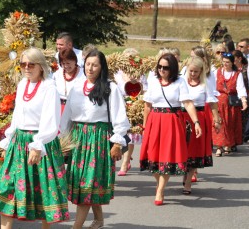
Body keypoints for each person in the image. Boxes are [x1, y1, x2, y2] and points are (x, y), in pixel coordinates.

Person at [0, 47, 69, 228]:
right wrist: (9, 139)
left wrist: (37, 146)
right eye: (23, 64)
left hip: (40, 143)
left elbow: (51, 120)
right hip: (19, 142)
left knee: (43, 192)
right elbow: (17, 115)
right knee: (7, 187)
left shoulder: (49, 88)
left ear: (40, 66)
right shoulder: (22, 85)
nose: (26, 68)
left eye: (31, 64)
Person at [60, 50, 130, 228]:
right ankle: (98, 219)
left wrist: (117, 142)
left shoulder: (110, 88)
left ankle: (76, 227)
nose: (90, 68)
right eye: (88, 64)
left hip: (98, 140)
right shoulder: (76, 87)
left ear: (102, 67)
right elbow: (67, 116)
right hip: (78, 138)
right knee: (85, 183)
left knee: (87, 184)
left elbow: (120, 117)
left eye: (95, 65)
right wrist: (63, 140)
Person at [140, 54, 202, 206]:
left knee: (166, 157)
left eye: (166, 67)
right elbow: (147, 105)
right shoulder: (153, 80)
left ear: (172, 68)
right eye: (159, 66)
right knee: (152, 157)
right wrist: (144, 126)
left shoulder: (180, 81)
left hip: (172, 121)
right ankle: (159, 182)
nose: (162, 70)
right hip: (154, 120)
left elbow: (187, 103)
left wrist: (196, 122)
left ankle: (160, 190)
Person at [181, 57, 221, 194]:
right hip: (183, 117)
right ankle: (185, 172)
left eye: (196, 72)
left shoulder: (204, 85)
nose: (193, 74)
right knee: (183, 149)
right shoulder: (181, 82)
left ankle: (187, 183)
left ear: (201, 72)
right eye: (191, 71)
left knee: (195, 151)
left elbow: (212, 102)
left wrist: (216, 119)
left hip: (199, 118)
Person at [114, 47, 143, 176]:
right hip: (118, 105)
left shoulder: (139, 74)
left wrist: (136, 83)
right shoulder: (117, 73)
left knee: (130, 135)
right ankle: (121, 155)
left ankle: (125, 162)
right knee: (119, 133)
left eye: (131, 60)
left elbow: (144, 91)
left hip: (133, 107)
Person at [212, 52, 248, 156]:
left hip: (231, 103)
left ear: (232, 63)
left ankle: (227, 144)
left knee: (229, 124)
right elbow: (213, 87)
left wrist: (244, 101)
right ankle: (219, 147)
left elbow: (240, 88)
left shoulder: (237, 74)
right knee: (219, 123)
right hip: (219, 103)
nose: (225, 64)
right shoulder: (217, 72)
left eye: (227, 62)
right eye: (223, 62)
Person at [232, 50, 249, 144]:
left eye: (234, 59)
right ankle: (234, 139)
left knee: (244, 118)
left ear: (239, 58)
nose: (232, 61)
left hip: (246, 96)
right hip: (233, 97)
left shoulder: (247, 68)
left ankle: (242, 136)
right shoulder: (232, 69)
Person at [52, 48, 85, 113]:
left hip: (77, 109)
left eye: (68, 63)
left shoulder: (83, 74)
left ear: (75, 61)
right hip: (58, 109)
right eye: (63, 63)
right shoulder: (57, 74)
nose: (66, 66)